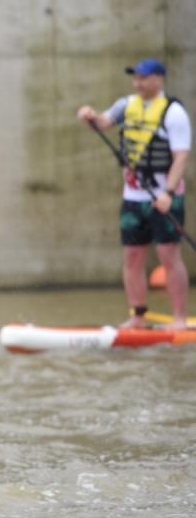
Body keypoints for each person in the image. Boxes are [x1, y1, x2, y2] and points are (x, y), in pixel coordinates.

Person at [77, 57, 189, 329]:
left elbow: (181, 157)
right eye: (135, 77)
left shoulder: (174, 113)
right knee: (132, 256)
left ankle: (178, 319)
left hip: (164, 198)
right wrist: (90, 116)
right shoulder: (126, 105)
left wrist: (168, 193)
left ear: (158, 79)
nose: (137, 82)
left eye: (143, 77)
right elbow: (103, 123)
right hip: (133, 198)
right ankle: (138, 315)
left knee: (168, 255)